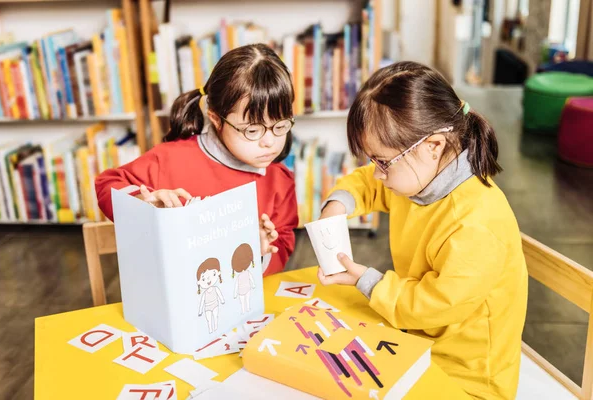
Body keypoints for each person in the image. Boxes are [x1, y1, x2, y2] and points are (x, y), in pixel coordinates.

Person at [319, 61, 528, 399]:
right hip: (414, 339)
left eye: (382, 161)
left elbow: (435, 307)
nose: (376, 174)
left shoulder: (475, 223)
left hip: (466, 378)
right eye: (372, 161)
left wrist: (368, 281)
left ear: (433, 146)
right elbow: (368, 185)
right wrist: (340, 202)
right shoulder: (418, 176)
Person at [95, 44, 298, 275]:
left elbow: (282, 245)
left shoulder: (280, 180)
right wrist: (145, 201)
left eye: (280, 126)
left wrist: (260, 253)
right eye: (252, 130)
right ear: (216, 119)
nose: (269, 142)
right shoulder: (170, 159)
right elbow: (106, 184)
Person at [196, 257, 225, 334]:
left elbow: (220, 295)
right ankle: (210, 329)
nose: (208, 280)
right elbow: (202, 302)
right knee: (209, 319)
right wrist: (200, 311)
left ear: (218, 273)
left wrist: (222, 300)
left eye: (213, 274)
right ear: (199, 282)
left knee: (215, 317)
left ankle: (215, 326)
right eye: (203, 279)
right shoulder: (204, 294)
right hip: (207, 307)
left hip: (215, 305)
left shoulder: (215, 289)